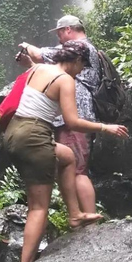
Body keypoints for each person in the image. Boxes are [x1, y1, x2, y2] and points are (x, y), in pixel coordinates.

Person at [8, 41, 129, 262]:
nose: (81, 71)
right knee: (37, 207)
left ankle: (75, 215)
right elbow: (72, 122)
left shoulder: (38, 68)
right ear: (75, 61)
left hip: (14, 132)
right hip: (34, 136)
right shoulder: (65, 80)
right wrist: (105, 127)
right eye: (81, 66)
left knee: (67, 156)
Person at [19, 15, 102, 214]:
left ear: (67, 30)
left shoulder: (79, 49)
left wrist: (26, 46)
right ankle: (83, 217)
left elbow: (41, 56)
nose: (59, 39)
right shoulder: (89, 49)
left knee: (77, 171)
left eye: (59, 34)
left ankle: (89, 220)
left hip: (73, 116)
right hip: (79, 115)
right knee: (73, 167)